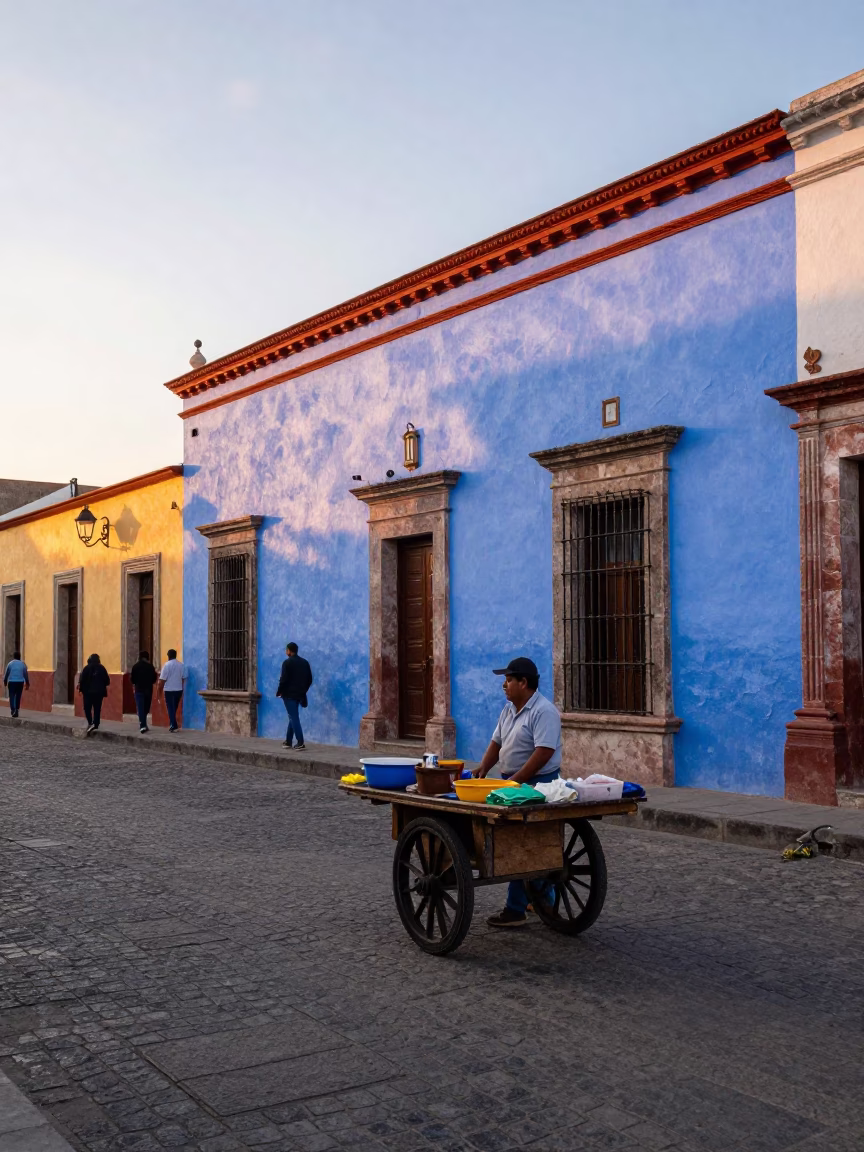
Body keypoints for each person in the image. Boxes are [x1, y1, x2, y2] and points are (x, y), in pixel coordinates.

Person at [473, 657, 563, 928]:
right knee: (529, 842)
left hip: (537, 785)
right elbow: (496, 742)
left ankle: (515, 909)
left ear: (524, 683)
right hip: (512, 783)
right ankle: (541, 899)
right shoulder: (509, 710)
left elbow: (544, 752)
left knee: (520, 843)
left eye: (509, 680)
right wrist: (483, 769)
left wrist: (516, 781)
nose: (504, 685)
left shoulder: (544, 711)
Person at [276, 641, 313, 750]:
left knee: (294, 717)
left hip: (288, 695)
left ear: (288, 651)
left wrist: (279, 691)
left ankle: (300, 742)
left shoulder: (287, 663)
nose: (286, 652)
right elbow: (309, 679)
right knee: (292, 716)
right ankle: (288, 741)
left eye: (286, 650)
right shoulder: (305, 662)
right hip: (300, 694)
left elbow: (283, 680)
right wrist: (303, 690)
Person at [78, 653, 110, 734]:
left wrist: (80, 690)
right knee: (97, 708)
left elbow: (82, 680)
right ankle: (96, 723)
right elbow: (107, 681)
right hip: (99, 692)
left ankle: (90, 722)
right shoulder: (102, 668)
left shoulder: (86, 668)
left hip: (88, 693)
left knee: (87, 708)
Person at [157, 648, 187, 732]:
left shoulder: (166, 665)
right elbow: (184, 678)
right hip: (178, 689)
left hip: (169, 690)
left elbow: (162, 680)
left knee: (170, 708)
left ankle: (174, 726)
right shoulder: (181, 665)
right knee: (174, 707)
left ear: (168, 656)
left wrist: (159, 691)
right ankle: (172, 724)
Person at [130, 650, 158, 733]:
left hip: (139, 689)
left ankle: (142, 725)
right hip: (148, 690)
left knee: (140, 707)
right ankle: (144, 723)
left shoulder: (135, 666)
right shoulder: (151, 667)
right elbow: (154, 679)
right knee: (146, 708)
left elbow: (132, 679)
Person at [3, 651, 29, 717]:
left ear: (13, 657)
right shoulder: (23, 664)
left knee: (11, 696)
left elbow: (7, 674)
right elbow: (25, 674)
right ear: (19, 657)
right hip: (20, 682)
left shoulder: (10, 664)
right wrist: (27, 683)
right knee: (18, 696)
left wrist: (5, 681)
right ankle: (17, 710)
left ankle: (13, 710)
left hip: (11, 682)